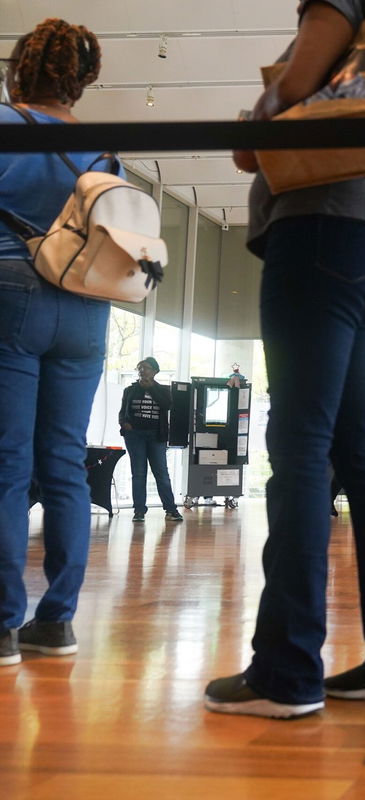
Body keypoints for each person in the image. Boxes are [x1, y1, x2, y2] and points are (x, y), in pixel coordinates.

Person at [205, 0, 365, 718]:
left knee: (302, 445)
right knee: (359, 449)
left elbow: (276, 112)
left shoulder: (338, 13)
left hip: (319, 231)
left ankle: (286, 670)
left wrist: (264, 107)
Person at [0, 18, 111, 667]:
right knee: (66, 463)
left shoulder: (6, 122)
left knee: (8, 463)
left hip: (13, 289)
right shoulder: (103, 148)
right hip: (87, 308)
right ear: (80, 79)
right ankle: (57, 622)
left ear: (22, 68)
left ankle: (3, 626)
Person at [119, 357, 184, 523]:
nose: (142, 370)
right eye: (140, 368)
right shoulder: (130, 390)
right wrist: (124, 424)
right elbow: (123, 411)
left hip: (157, 436)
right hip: (135, 436)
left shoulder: (163, 390)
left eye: (146, 368)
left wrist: (151, 388)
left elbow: (166, 405)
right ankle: (139, 511)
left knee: (161, 473)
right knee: (138, 473)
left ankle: (171, 510)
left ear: (155, 371)